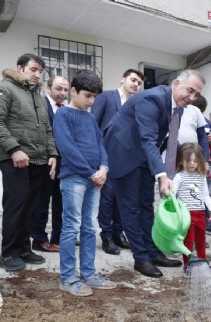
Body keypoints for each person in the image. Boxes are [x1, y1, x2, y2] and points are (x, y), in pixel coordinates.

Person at [103, 69, 204, 278]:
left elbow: (170, 140)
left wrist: (168, 175)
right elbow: (148, 139)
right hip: (123, 154)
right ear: (176, 84)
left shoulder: (180, 107)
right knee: (130, 209)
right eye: (190, 91)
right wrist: (161, 174)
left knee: (146, 207)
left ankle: (153, 251)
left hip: (144, 157)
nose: (192, 98)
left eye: (197, 95)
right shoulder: (152, 99)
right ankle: (141, 258)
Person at [0, 53, 58, 272]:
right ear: (20, 68)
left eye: (40, 71)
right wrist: (14, 149)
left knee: (32, 207)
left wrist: (52, 154)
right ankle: (8, 253)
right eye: (33, 69)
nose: (37, 75)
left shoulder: (38, 97)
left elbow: (46, 129)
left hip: (39, 160)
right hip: (14, 158)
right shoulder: (4, 89)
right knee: (16, 205)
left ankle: (24, 249)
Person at [54, 70, 116, 297]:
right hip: (74, 179)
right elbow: (67, 148)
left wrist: (104, 169)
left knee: (90, 227)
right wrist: (91, 173)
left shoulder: (90, 118)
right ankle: (68, 277)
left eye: (94, 97)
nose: (91, 101)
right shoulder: (63, 115)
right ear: (73, 91)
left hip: (94, 180)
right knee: (71, 227)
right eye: (87, 95)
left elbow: (101, 147)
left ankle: (89, 273)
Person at [91, 69, 144, 255]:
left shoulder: (138, 104)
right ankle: (106, 236)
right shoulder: (106, 96)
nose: (136, 84)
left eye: (139, 83)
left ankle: (118, 233)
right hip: (106, 154)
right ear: (123, 79)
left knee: (123, 198)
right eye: (133, 80)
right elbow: (94, 124)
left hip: (128, 158)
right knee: (107, 198)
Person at [31, 75, 69, 253]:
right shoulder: (40, 106)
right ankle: (38, 239)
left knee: (60, 201)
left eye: (65, 90)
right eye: (58, 89)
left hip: (64, 162)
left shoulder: (66, 109)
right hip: (45, 161)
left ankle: (58, 237)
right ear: (48, 88)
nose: (62, 93)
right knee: (42, 200)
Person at [173, 143, 211, 275]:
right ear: (181, 160)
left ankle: (203, 262)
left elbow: (205, 195)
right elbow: (172, 195)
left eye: (195, 161)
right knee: (188, 242)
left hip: (200, 213)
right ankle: (187, 265)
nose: (192, 164)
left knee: (201, 240)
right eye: (188, 160)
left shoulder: (201, 177)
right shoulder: (179, 177)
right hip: (186, 215)